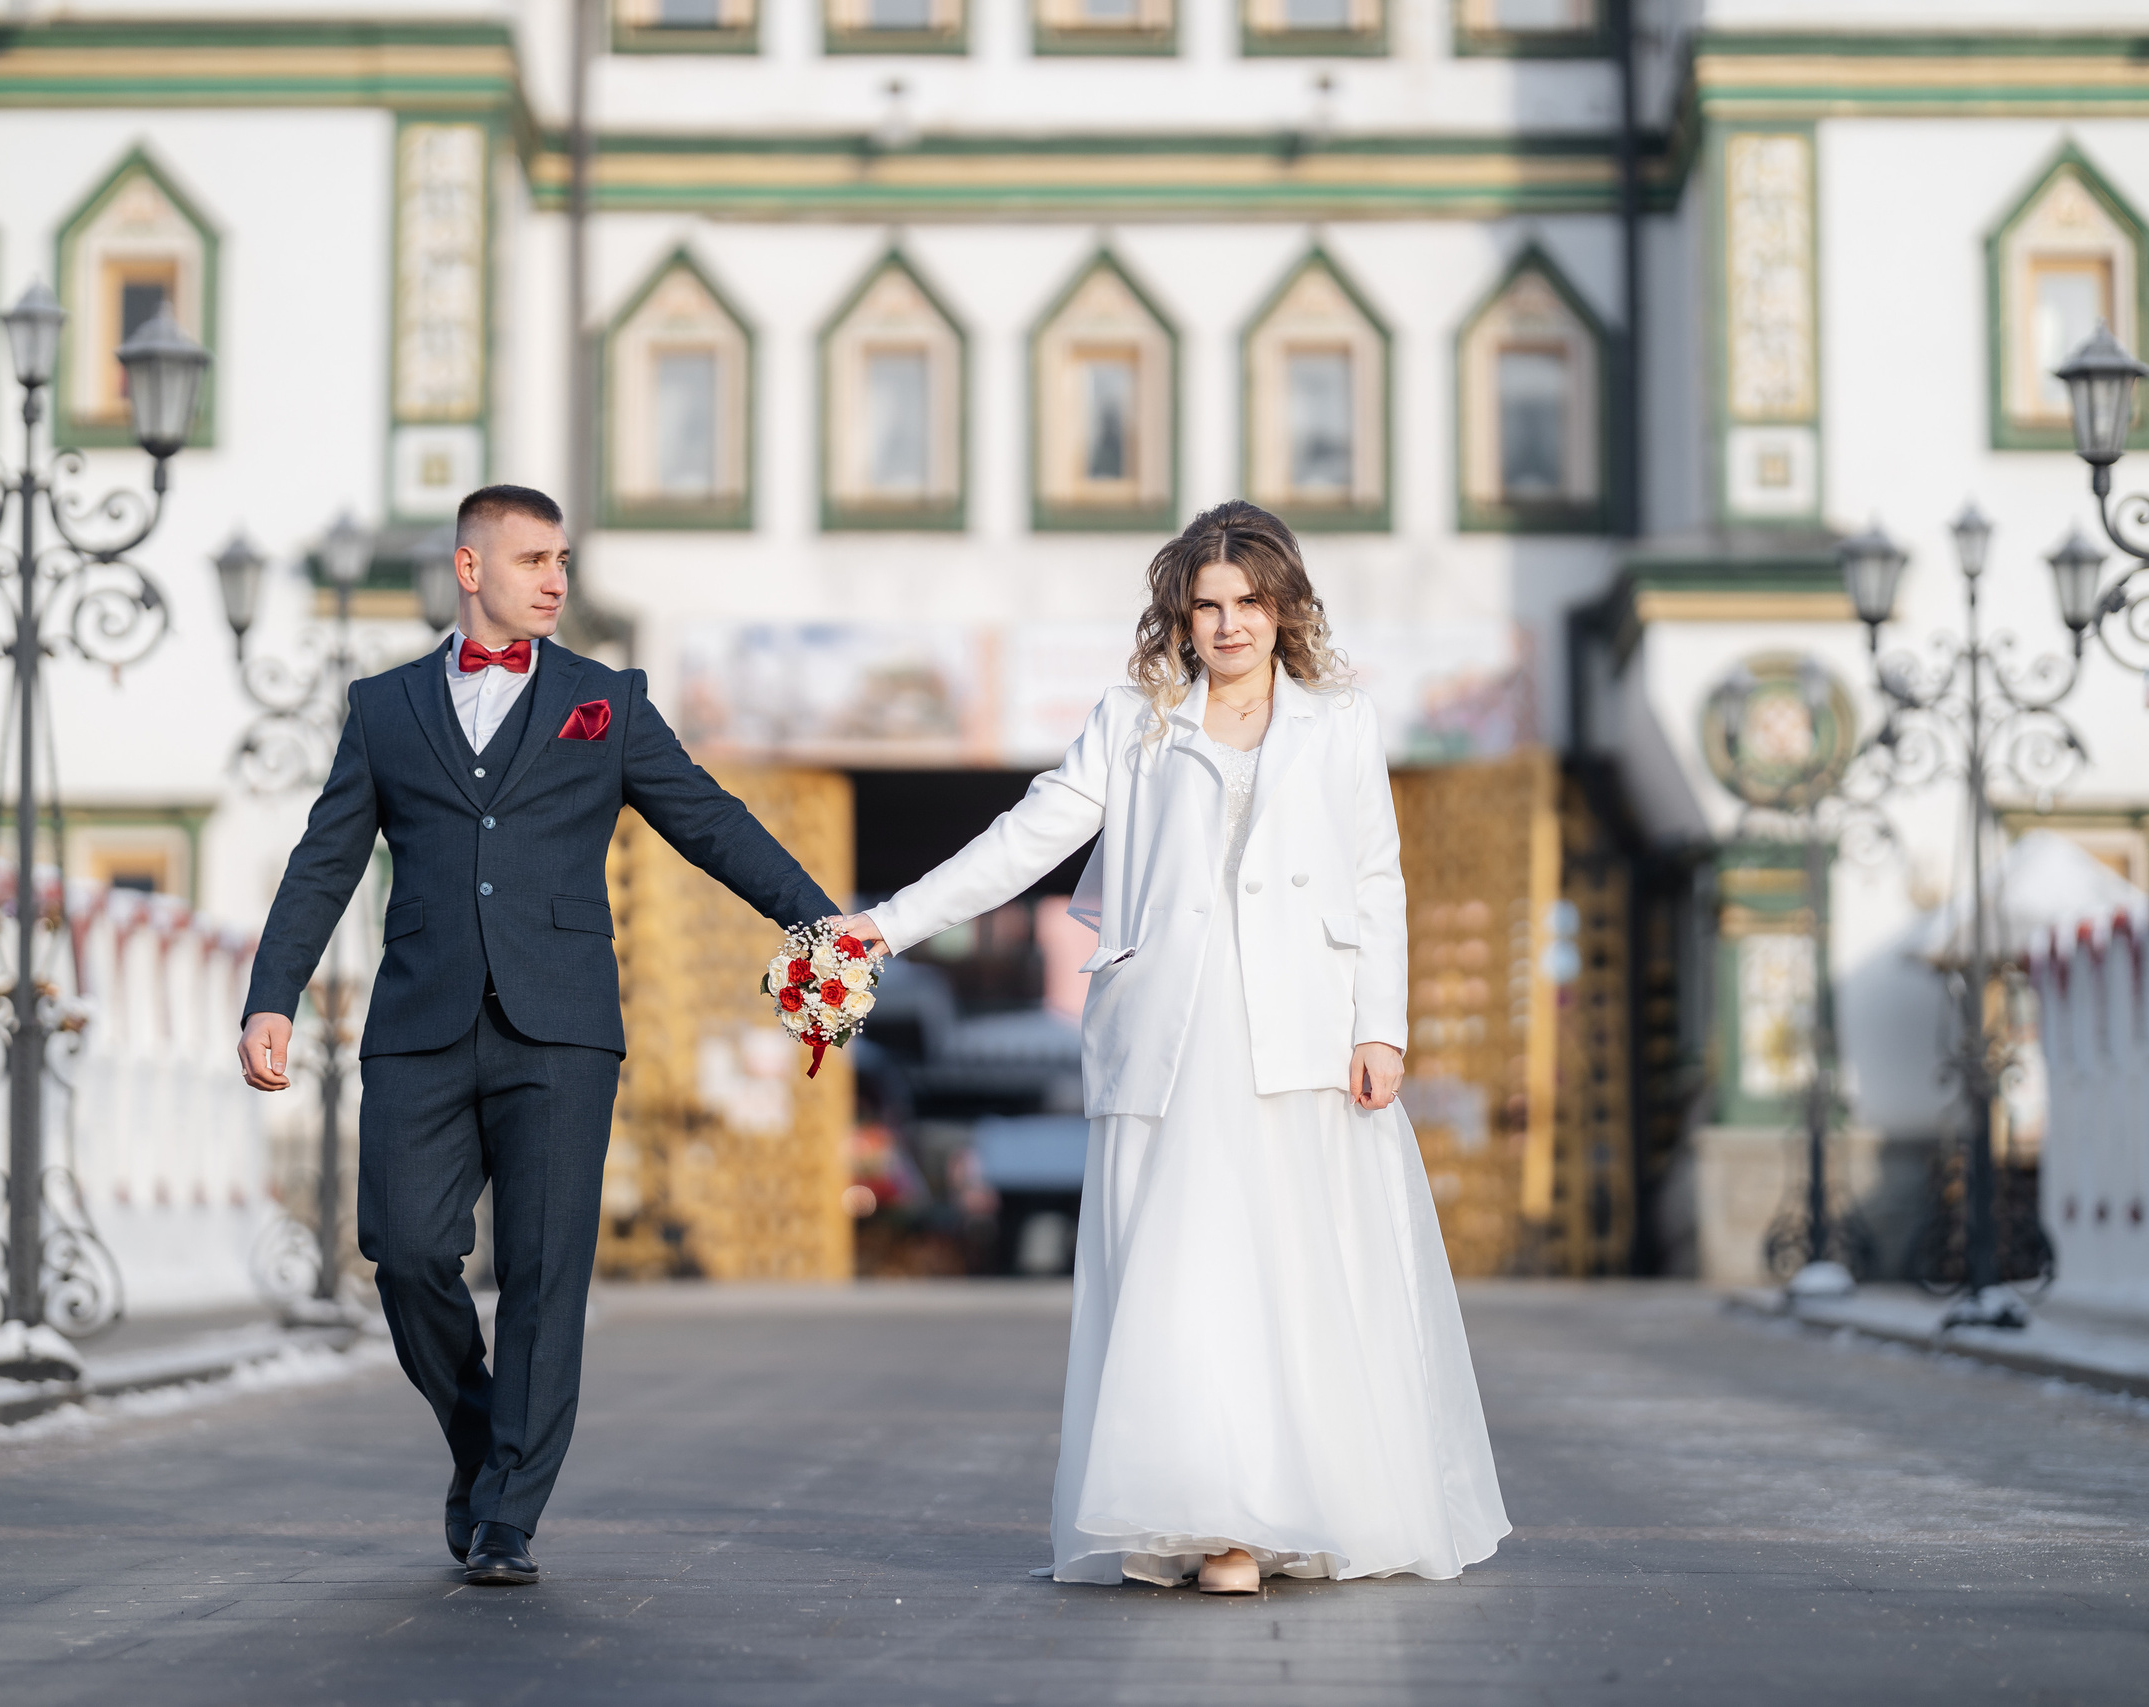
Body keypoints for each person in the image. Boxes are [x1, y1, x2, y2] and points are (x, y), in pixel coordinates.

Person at [840, 500, 1509, 1592]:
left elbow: (1374, 877)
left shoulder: (1340, 722)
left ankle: (1298, 1506)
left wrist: (1381, 1025)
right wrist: (883, 926)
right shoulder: (1135, 720)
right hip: (1173, 1035)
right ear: (1179, 617)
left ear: (1285, 607)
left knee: (1298, 1272)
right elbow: (1024, 841)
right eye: (1207, 605)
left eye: (1249, 601)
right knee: (1189, 1274)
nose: (1229, 623)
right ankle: (1217, 1525)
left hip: (1303, 1035)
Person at [236, 484, 838, 1587]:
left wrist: (820, 920)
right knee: (405, 1250)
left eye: (562, 560)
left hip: (561, 1027)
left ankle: (507, 1513)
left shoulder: (605, 701)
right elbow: (324, 860)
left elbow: (706, 819)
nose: (556, 580)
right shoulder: (383, 707)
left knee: (545, 1271)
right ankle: (482, 1437)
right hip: (419, 1021)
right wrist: (272, 993)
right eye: (532, 560)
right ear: (469, 570)